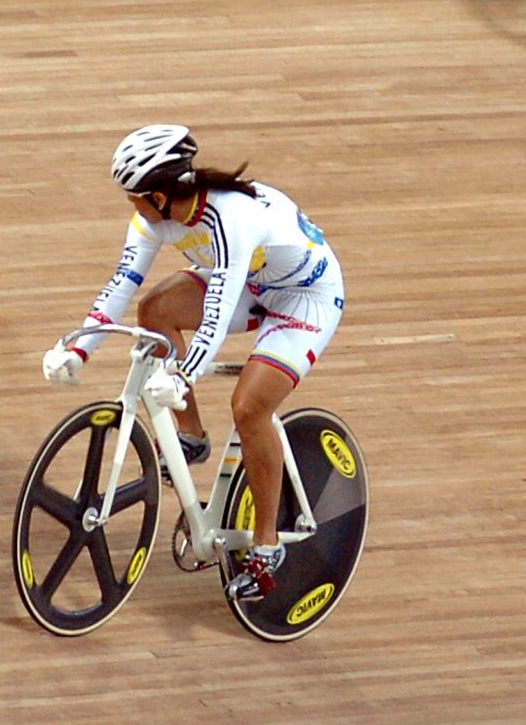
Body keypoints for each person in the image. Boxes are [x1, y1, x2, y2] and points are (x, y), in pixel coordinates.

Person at [40, 124, 345, 602]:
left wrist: (185, 373)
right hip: (253, 282)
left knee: (249, 407)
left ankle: (267, 548)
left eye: (135, 196)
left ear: (161, 195)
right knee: (155, 311)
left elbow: (219, 311)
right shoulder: (153, 217)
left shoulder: (231, 218)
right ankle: (192, 435)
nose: (131, 205)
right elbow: (123, 283)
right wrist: (77, 346)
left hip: (304, 298)